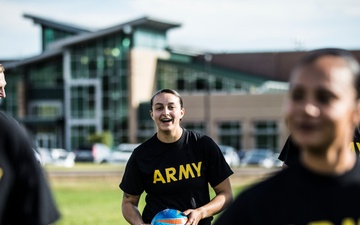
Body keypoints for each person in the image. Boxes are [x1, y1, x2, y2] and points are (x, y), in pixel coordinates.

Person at [213, 48, 360, 224]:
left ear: (356, 112)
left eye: (325, 97)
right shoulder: (255, 207)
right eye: (297, 96)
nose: (307, 108)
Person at [120, 89, 233, 225]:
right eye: (159, 108)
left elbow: (226, 194)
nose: (165, 112)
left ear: (181, 113)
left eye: (171, 107)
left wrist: (200, 212)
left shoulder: (203, 145)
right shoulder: (141, 155)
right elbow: (128, 203)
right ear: (152, 114)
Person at [0, 63, 60, 224]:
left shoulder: (9, 132)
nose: (3, 94)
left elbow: (36, 205)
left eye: (4, 87)